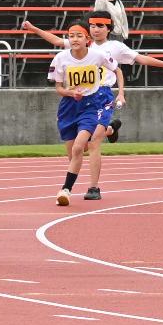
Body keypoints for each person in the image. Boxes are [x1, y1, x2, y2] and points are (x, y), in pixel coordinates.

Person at [21, 12, 163, 197]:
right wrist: (34, 29)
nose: (95, 29)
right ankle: (110, 129)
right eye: (92, 25)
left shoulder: (115, 47)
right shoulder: (79, 41)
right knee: (79, 147)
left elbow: (141, 59)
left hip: (102, 96)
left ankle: (93, 187)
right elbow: (56, 41)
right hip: (77, 98)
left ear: (109, 28)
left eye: (100, 25)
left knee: (93, 142)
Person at [48, 20, 114, 207]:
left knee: (79, 147)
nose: (74, 39)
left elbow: (116, 69)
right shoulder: (60, 58)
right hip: (69, 107)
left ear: (87, 39)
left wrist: (122, 92)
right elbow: (59, 88)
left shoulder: (97, 55)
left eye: (79, 35)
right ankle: (108, 130)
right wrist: (71, 93)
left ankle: (65, 190)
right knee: (74, 153)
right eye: (71, 35)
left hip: (91, 105)